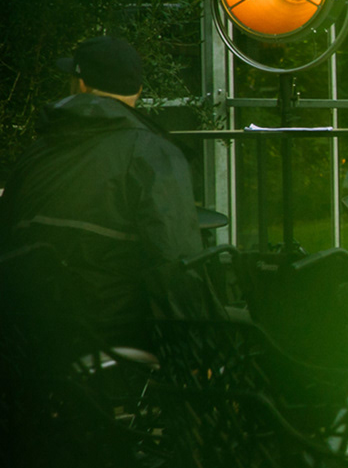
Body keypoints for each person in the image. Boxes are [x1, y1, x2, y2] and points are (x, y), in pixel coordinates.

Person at [0, 36, 201, 351]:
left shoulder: (38, 151)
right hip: (116, 339)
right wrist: (197, 347)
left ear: (80, 84)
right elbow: (176, 262)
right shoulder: (152, 153)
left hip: (28, 338)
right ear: (138, 91)